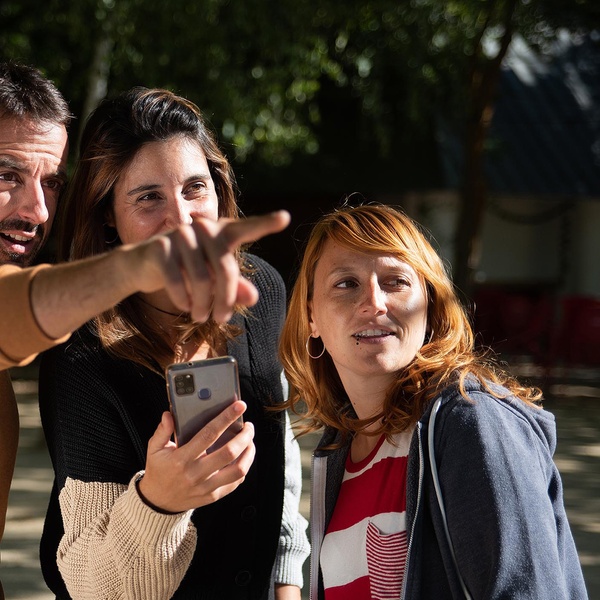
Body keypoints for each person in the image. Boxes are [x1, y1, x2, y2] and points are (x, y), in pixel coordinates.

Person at [0, 60, 290, 595]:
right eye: (149, 197)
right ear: (108, 214)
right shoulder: (81, 352)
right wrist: (159, 504)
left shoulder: (261, 291)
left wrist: (288, 584)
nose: (181, 219)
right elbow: (93, 585)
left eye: (195, 188)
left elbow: (282, 464)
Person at [279, 203, 588, 599]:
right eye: (346, 284)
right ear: (311, 317)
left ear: (430, 304)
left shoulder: (471, 422)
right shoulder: (338, 447)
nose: (374, 303)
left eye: (395, 282)